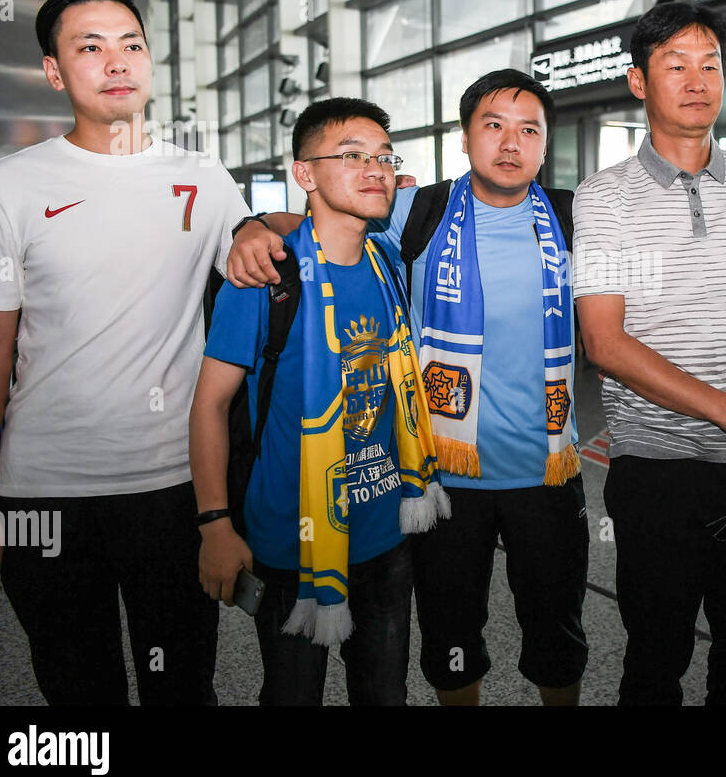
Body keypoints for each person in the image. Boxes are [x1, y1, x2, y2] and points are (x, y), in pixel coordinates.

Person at [227, 70, 590, 706]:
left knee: (559, 638)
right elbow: (325, 211)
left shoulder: (572, 214)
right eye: (493, 126)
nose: (511, 143)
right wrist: (252, 225)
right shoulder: (416, 212)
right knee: (449, 642)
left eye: (528, 129)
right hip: (442, 477)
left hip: (549, 470)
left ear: (545, 142)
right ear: (465, 138)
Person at [0, 0, 251, 704]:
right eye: (91, 47)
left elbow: (252, 248)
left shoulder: (203, 177)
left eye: (131, 45)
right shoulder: (8, 185)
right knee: (77, 692)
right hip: (40, 492)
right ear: (56, 72)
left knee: (181, 685)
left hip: (172, 486)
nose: (117, 62)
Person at [573, 1, 726, 706]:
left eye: (710, 64)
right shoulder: (604, 196)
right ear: (640, 82)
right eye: (675, 64)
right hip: (655, 475)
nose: (698, 79)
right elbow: (606, 343)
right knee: (654, 662)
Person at [190, 97, 447, 705]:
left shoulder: (388, 261)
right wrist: (215, 525)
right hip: (288, 539)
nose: (376, 170)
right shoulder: (264, 280)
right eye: (353, 155)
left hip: (386, 529)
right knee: (291, 695)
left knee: (385, 693)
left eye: (385, 157)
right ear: (305, 174)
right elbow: (208, 407)